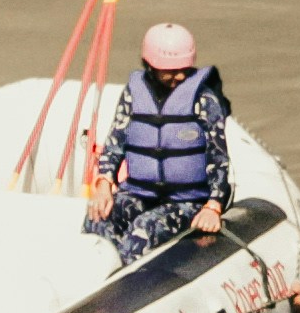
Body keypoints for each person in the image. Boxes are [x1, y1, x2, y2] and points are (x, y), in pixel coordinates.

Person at [87, 23, 230, 259]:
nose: (179, 76)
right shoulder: (134, 93)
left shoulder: (204, 99)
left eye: (184, 69)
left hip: (187, 201)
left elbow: (219, 157)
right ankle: (96, 277)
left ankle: (129, 288)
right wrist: (104, 185)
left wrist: (213, 206)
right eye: (170, 71)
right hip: (140, 193)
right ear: (151, 66)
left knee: (144, 228)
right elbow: (116, 140)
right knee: (98, 217)